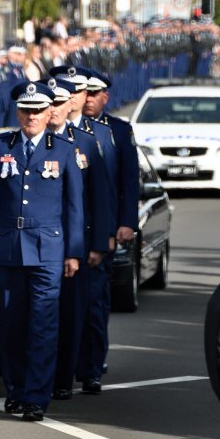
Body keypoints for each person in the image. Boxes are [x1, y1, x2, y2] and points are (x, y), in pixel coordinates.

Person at [0, 80, 84, 422]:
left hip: (48, 250)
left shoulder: (62, 149)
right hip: (8, 249)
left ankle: (36, 397)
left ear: (49, 112)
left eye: (38, 110)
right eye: (26, 110)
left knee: (43, 325)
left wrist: (73, 252)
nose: (31, 116)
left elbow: (74, 207)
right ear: (17, 112)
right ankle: (16, 390)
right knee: (10, 325)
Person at [42, 77, 112, 400]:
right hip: (42, 243)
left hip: (76, 245)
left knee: (74, 314)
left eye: (60, 102)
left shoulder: (84, 142)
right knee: (42, 314)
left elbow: (98, 197)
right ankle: (44, 376)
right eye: (51, 103)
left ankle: (66, 377)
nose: (55, 109)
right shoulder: (31, 142)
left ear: (70, 103)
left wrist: (98, 243)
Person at [79, 67, 139, 393]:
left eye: (93, 94)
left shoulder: (117, 131)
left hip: (103, 230)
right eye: (82, 93)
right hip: (68, 232)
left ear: (105, 96)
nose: (87, 99)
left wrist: (126, 222)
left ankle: (92, 364)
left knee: (95, 303)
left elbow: (129, 180)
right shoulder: (62, 131)